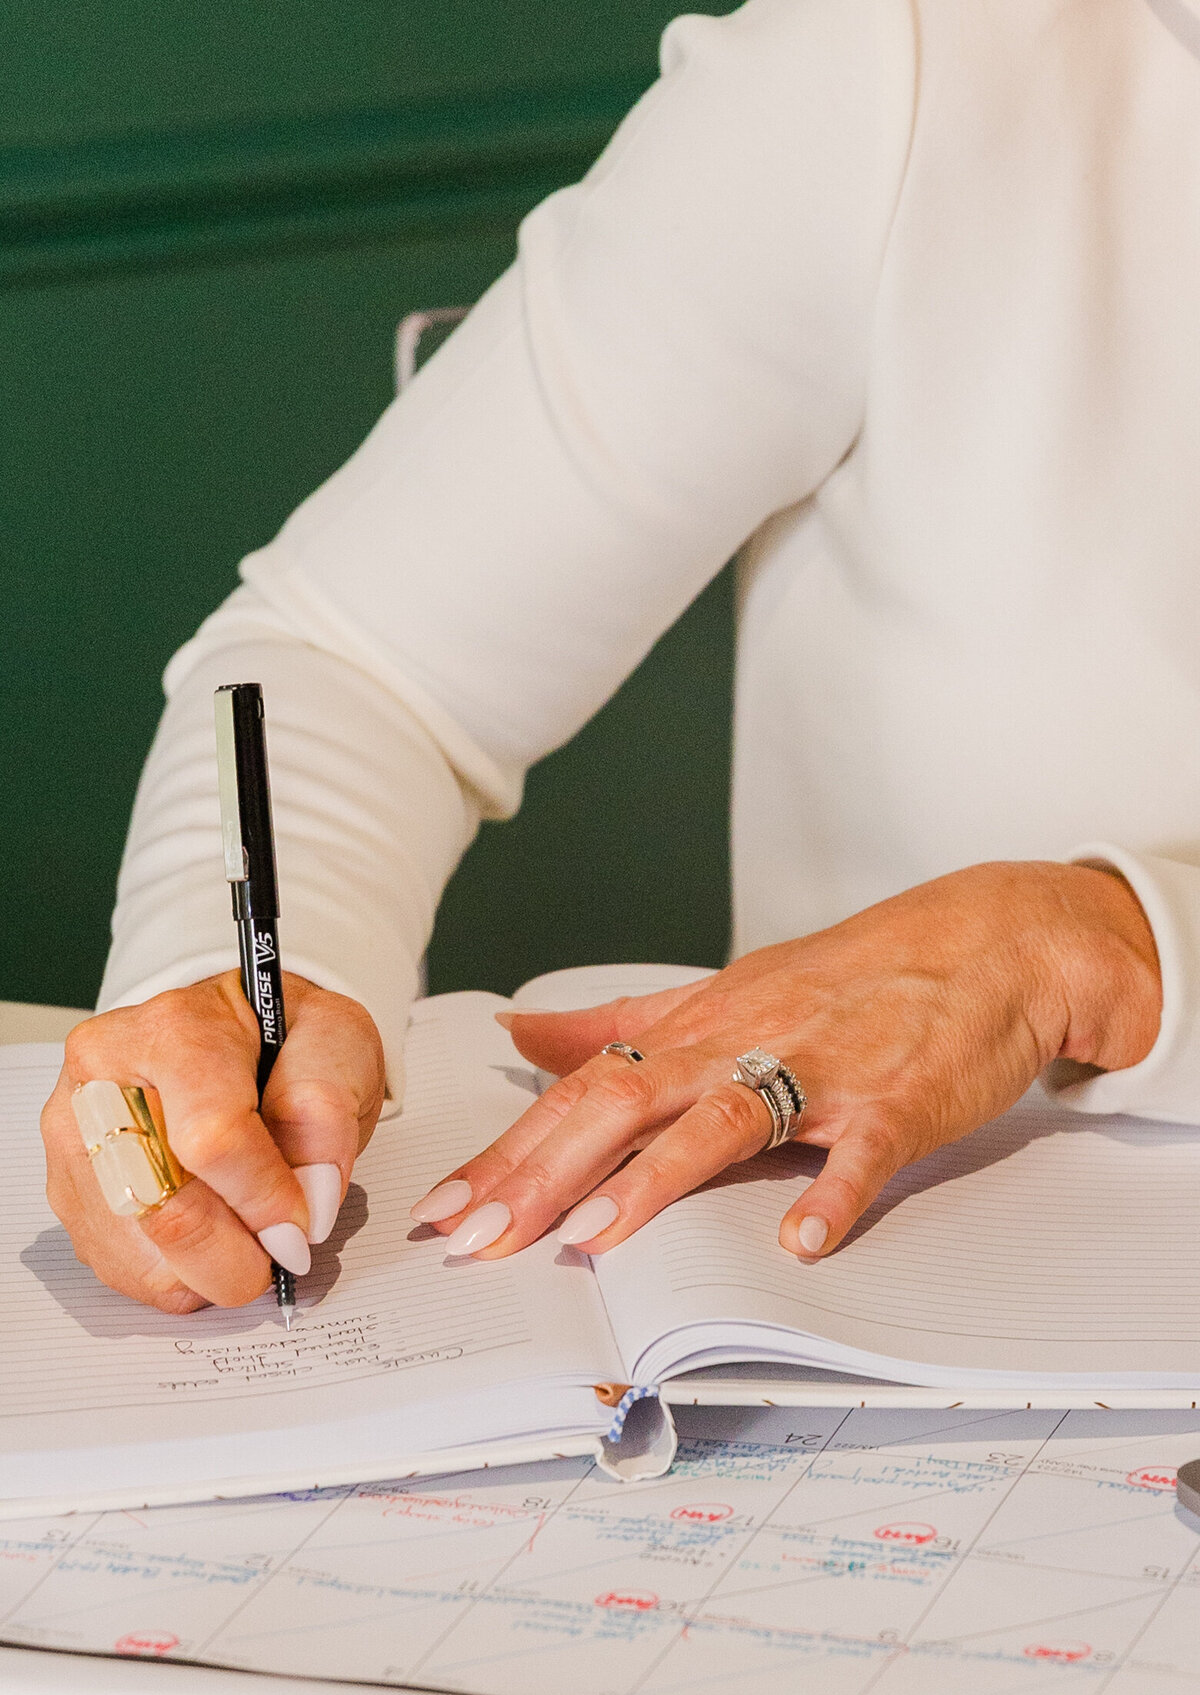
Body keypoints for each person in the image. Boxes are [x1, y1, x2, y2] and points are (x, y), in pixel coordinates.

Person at [41, 0, 1200, 1313]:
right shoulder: (915, 57)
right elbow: (357, 663)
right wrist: (220, 1002)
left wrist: (1117, 950)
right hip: (883, 1353)